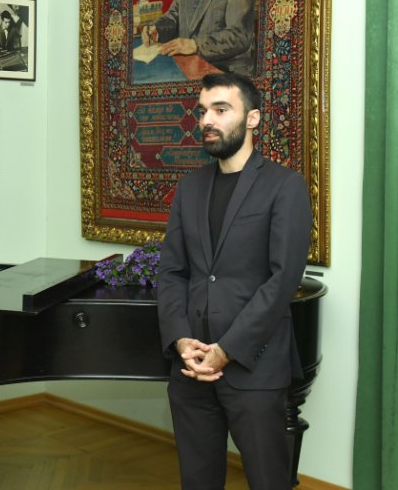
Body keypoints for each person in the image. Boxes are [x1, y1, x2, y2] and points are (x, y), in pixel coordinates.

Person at [157, 72, 311, 490]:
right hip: (191, 370)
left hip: (254, 368)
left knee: (268, 481)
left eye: (221, 110)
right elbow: (172, 271)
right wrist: (181, 341)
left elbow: (282, 281)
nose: (207, 120)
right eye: (203, 111)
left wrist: (226, 351)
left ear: (253, 118)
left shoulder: (285, 186)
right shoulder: (189, 187)